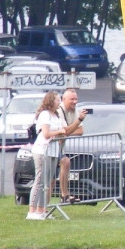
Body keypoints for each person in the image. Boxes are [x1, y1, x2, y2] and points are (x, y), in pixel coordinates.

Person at [28, 91, 66, 220]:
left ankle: (41, 210)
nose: (59, 102)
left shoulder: (56, 115)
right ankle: (32, 211)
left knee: (47, 182)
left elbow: (60, 132)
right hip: (42, 150)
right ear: (51, 101)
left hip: (53, 150)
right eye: (57, 100)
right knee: (40, 180)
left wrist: (61, 134)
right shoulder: (45, 114)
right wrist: (59, 131)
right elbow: (46, 133)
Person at [56, 88, 88, 204]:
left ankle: (64, 195)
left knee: (66, 162)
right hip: (51, 147)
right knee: (51, 178)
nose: (75, 102)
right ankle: (42, 207)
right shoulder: (59, 111)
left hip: (60, 147)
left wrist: (66, 132)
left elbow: (80, 131)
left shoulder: (74, 111)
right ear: (63, 99)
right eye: (72, 99)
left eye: (76, 99)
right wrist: (78, 120)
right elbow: (65, 130)